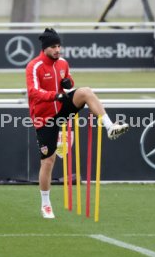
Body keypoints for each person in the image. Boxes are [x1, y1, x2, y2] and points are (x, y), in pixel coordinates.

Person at [26, 28, 129, 219]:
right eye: (54, 47)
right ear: (45, 48)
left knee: (85, 91)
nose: (58, 50)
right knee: (48, 162)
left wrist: (67, 82)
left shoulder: (63, 63)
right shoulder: (34, 66)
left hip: (62, 109)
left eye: (59, 46)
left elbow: (69, 82)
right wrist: (54, 95)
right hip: (44, 118)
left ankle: (109, 126)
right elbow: (32, 92)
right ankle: (46, 203)